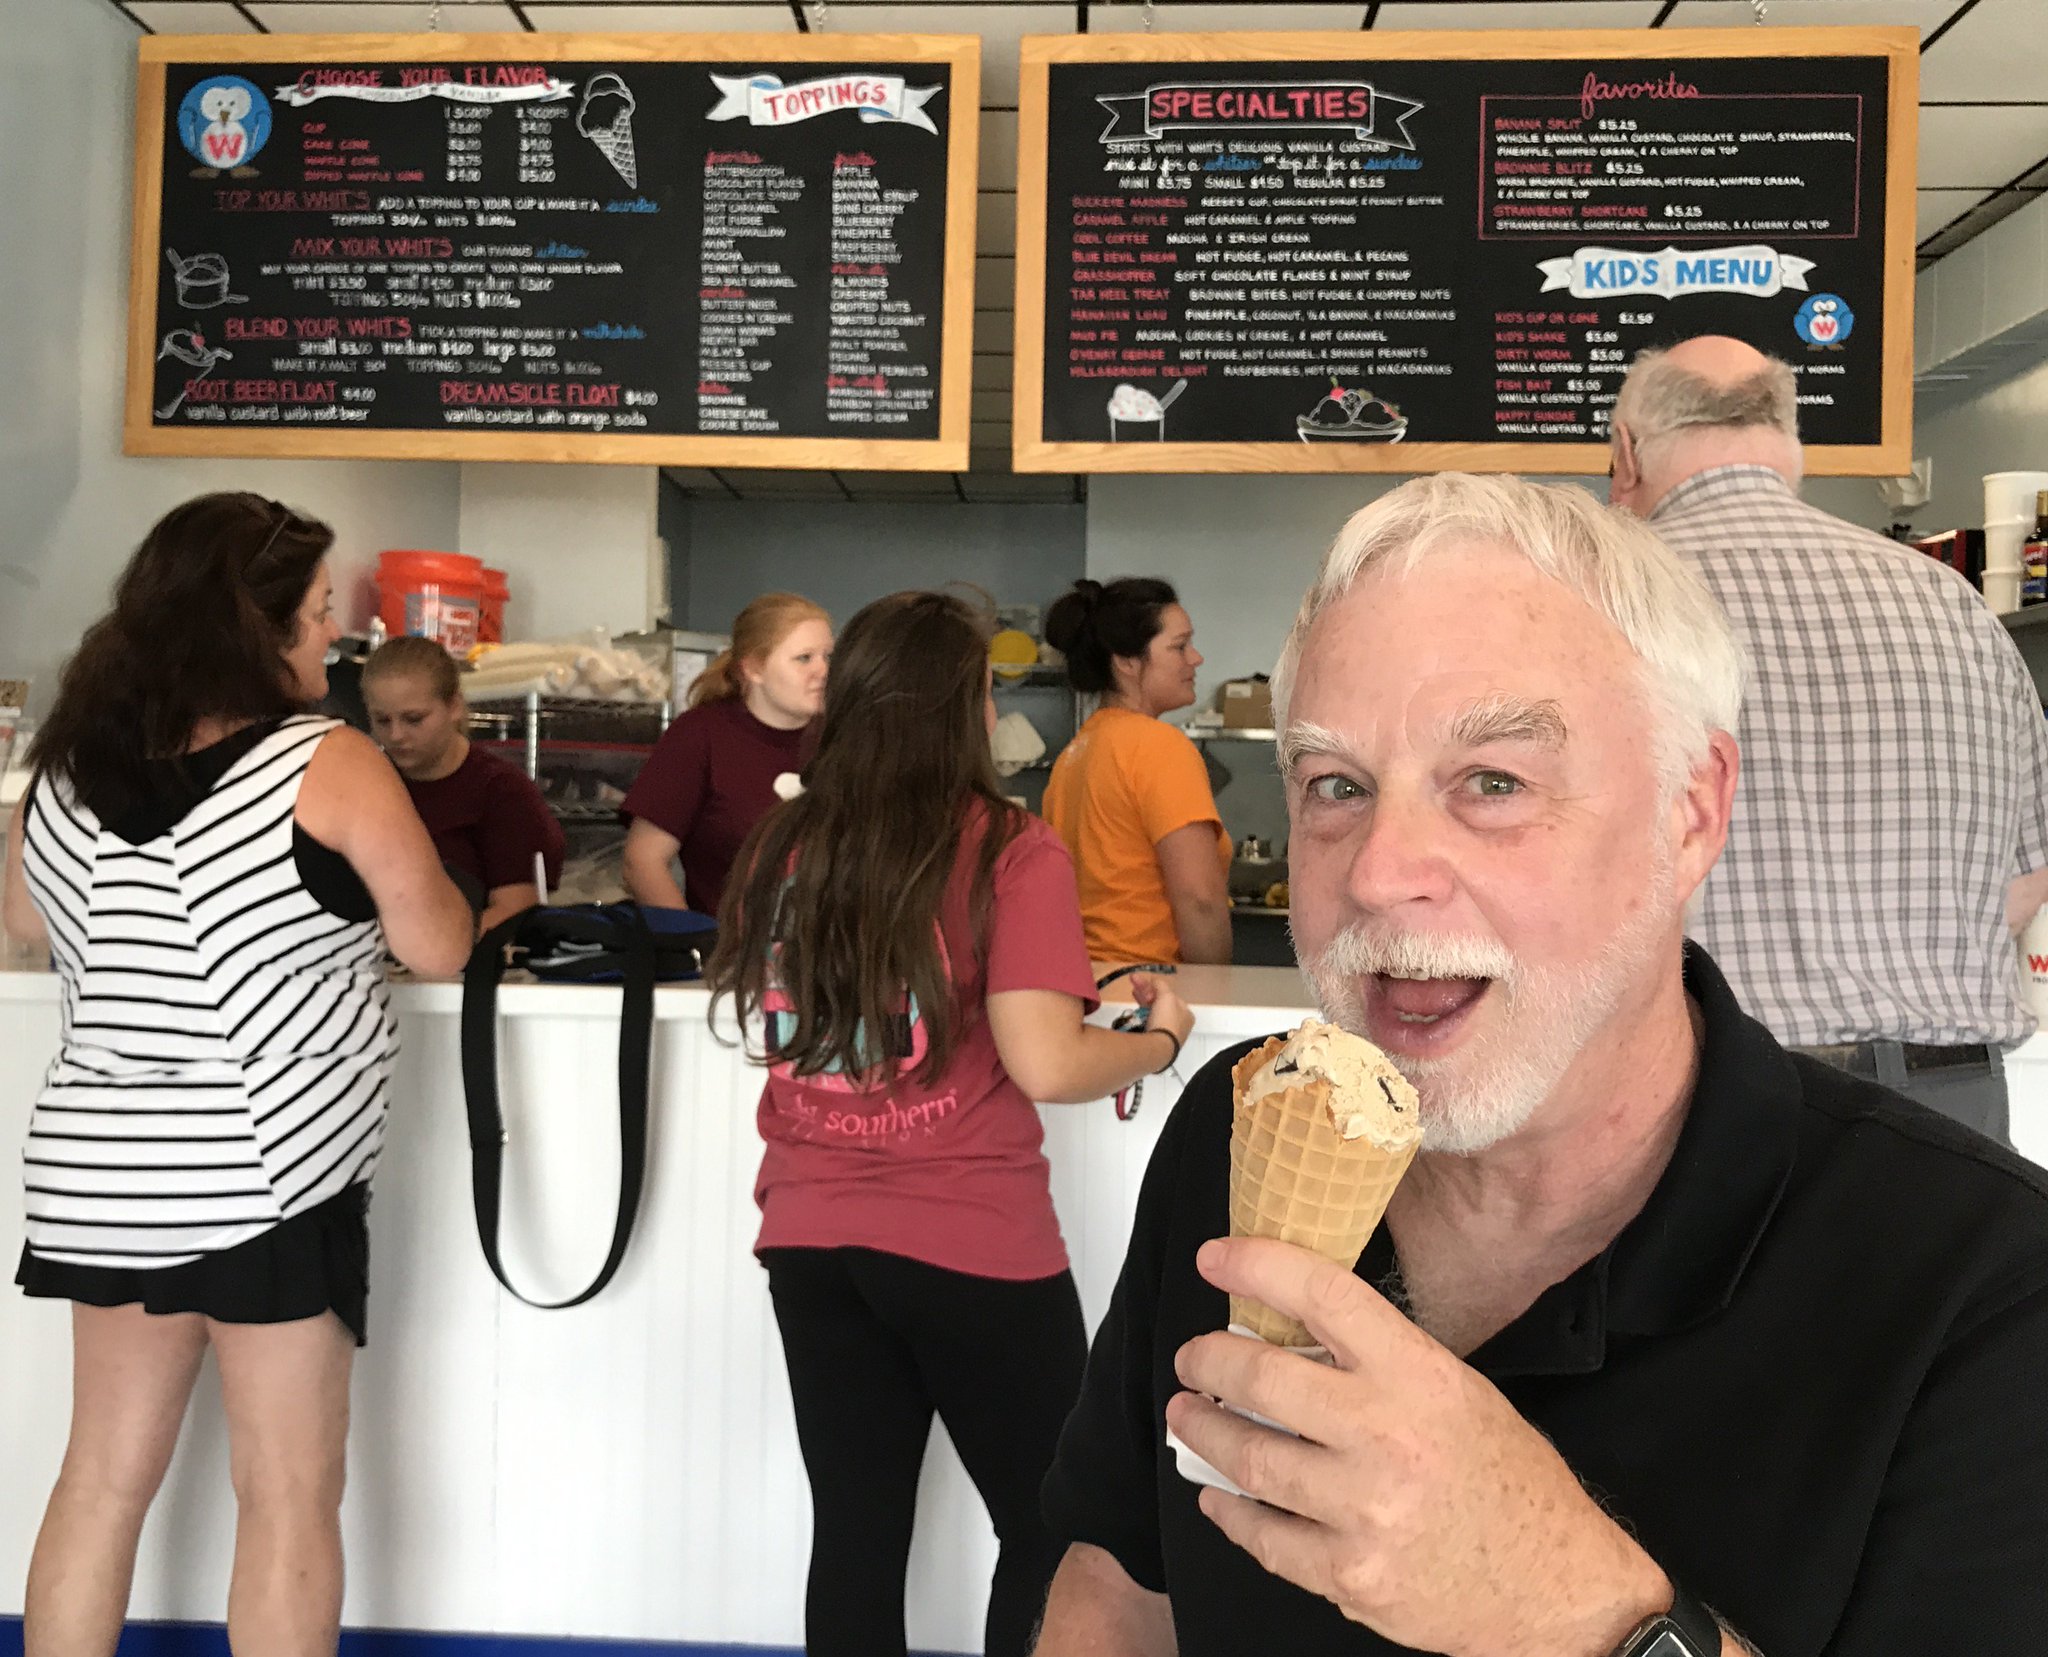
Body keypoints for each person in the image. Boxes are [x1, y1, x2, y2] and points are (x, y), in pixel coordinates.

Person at [1033, 474, 2048, 1657]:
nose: (1378, 873)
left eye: (1493, 782)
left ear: (1689, 812)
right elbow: (1123, 1577)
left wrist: (1577, 1611)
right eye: (1334, 787)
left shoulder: (1981, 1289)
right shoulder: (1235, 1120)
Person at [1, 493, 474, 1657]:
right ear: (248, 628)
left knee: (100, 1478)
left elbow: (24, 922)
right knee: (287, 1491)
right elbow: (438, 944)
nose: (330, 634)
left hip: (100, 1169)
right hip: (267, 1173)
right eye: (313, 612)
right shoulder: (326, 761)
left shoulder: (62, 768)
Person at [707, 590, 1195, 1657]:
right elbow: (1048, 1059)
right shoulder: (1010, 848)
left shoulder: (785, 841)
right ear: (960, 708)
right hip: (970, 1239)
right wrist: (1157, 1041)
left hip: (810, 1238)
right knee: (1047, 1525)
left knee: (857, 1532)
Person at [1608, 336, 2048, 1147]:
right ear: (1789, 437)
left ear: (1627, 452)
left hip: (1703, 1106)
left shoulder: (1602, 601)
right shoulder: (1951, 604)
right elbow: (2023, 886)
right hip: (1949, 1118)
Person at [1041, 578, 1230, 965]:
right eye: (1179, 646)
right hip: (1150, 986)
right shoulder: (1159, 747)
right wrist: (1216, 992)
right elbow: (1199, 900)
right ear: (1126, 661)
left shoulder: (1075, 755)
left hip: (1085, 980)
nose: (1195, 659)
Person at [622, 592, 831, 915]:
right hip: (729, 940)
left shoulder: (841, 739)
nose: (823, 671)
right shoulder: (701, 735)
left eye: (828, 657)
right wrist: (694, 940)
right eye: (804, 658)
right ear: (754, 669)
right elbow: (642, 861)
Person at [361, 634, 565, 933]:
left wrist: (430, 950)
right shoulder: (366, 784)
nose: (396, 735)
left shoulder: (502, 791)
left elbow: (515, 909)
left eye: (414, 719)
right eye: (382, 720)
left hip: (465, 954)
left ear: (454, 706)